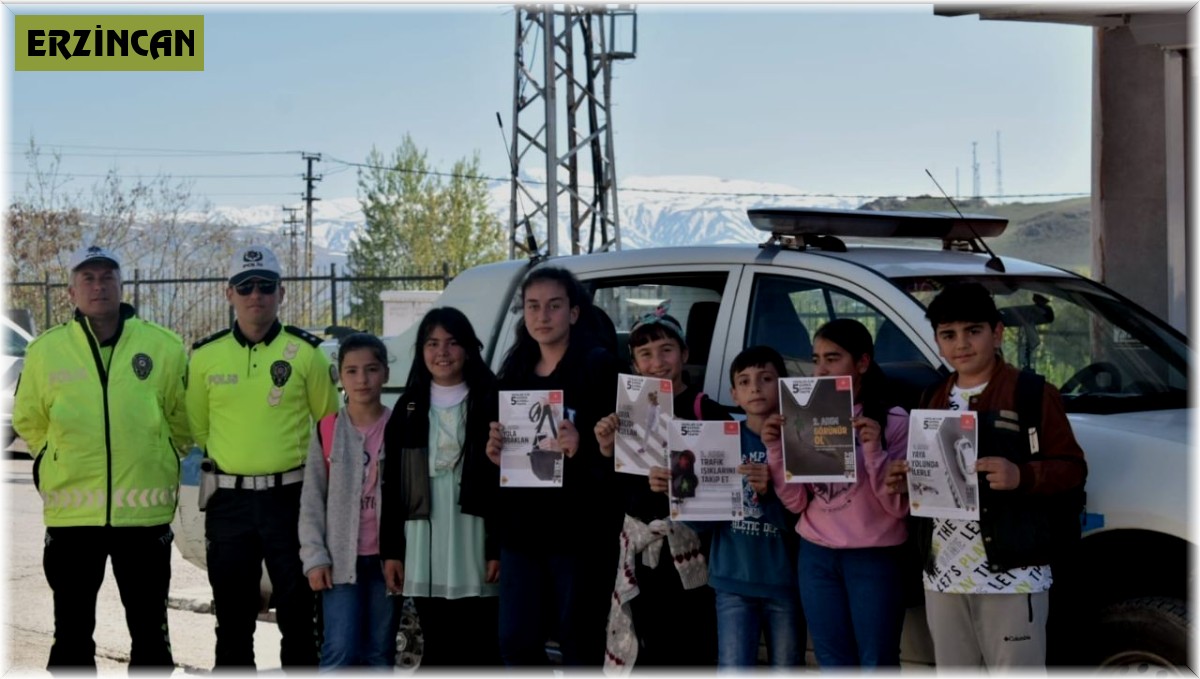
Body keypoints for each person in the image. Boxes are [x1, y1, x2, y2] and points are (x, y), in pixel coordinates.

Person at [884, 282, 1087, 669]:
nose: (961, 344)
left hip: (1013, 574)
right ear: (938, 342)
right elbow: (933, 480)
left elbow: (1073, 468)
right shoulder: (931, 397)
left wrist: (1022, 476)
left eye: (973, 331)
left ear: (997, 333)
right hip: (943, 575)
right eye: (949, 335)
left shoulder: (1031, 393)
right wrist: (906, 481)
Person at [13, 245, 189, 672]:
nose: (98, 286)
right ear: (72, 291)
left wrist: (160, 454)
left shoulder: (162, 346)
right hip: (73, 520)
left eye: (107, 277)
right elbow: (29, 419)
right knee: (71, 637)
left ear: (120, 285)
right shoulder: (46, 351)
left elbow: (184, 421)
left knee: (150, 635)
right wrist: (50, 462)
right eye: (88, 278)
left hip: (143, 519)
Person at [186, 245, 340, 669]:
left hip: (290, 501)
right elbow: (199, 427)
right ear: (229, 293)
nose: (256, 295)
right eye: (246, 286)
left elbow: (329, 428)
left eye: (266, 286)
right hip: (229, 502)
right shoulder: (205, 356)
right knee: (233, 620)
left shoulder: (306, 353)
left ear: (281, 293)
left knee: (298, 614)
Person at [484, 266, 621, 667]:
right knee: (516, 642)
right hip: (523, 532)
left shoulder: (599, 368)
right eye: (533, 306)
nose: (542, 316)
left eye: (554, 306)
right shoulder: (512, 375)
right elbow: (504, 458)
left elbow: (626, 455)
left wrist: (587, 448)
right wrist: (496, 454)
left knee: (580, 643)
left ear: (574, 313)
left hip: (579, 534)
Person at [762, 318, 910, 667]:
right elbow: (796, 501)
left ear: (862, 363)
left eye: (833, 358)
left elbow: (899, 507)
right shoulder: (805, 417)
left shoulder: (894, 421)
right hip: (816, 555)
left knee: (878, 661)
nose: (821, 369)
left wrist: (875, 452)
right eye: (816, 359)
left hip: (873, 556)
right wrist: (775, 449)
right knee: (833, 662)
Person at [594, 309, 723, 669]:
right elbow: (615, 490)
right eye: (646, 354)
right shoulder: (627, 414)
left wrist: (676, 484)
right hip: (641, 552)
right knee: (647, 643)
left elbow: (724, 484)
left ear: (684, 354)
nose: (657, 362)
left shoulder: (705, 411)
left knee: (689, 645)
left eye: (666, 350)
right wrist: (606, 449)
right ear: (634, 364)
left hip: (690, 552)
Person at [379, 307, 502, 668]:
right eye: (432, 343)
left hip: (474, 533)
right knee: (437, 643)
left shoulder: (490, 400)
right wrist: (392, 551)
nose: (442, 352)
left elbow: (504, 482)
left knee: (481, 640)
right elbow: (392, 486)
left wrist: (496, 545)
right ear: (421, 350)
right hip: (423, 539)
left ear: (468, 348)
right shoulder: (408, 408)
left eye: (452, 343)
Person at [682, 345, 803, 669]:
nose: (755, 388)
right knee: (734, 667)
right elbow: (698, 524)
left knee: (786, 666)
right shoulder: (720, 443)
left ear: (783, 386)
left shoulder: (799, 443)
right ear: (734, 393)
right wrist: (683, 492)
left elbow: (803, 520)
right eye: (745, 381)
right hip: (732, 581)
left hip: (785, 582)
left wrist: (769, 494)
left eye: (765, 379)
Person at [299, 333, 397, 669]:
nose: (362, 379)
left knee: (379, 652)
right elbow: (311, 500)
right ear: (340, 375)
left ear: (385, 372)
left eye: (371, 369)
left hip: (387, 562)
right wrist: (314, 557)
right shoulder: (327, 429)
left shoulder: (399, 426)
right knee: (339, 650)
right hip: (340, 563)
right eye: (351, 371)